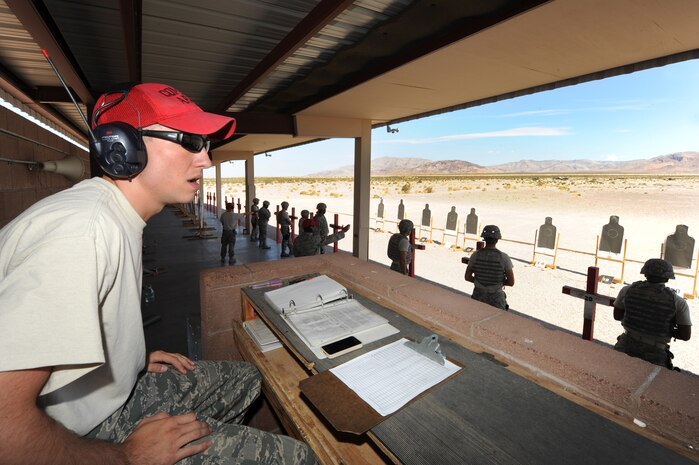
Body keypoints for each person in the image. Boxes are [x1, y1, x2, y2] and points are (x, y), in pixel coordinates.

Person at [0, 83, 317, 465]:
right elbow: (6, 430)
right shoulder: (83, 233)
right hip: (73, 434)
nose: (206, 160)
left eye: (205, 144)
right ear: (122, 147)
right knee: (297, 458)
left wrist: (125, 356)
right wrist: (129, 457)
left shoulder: (112, 215)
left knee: (247, 380)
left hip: (100, 399)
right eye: (189, 141)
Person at [613, 258, 692, 369]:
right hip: (655, 353)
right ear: (667, 278)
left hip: (625, 344)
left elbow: (617, 316)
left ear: (645, 274)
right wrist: (663, 328)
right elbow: (685, 335)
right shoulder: (678, 302)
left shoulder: (627, 290)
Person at [464, 225, 515, 310]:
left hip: (478, 295)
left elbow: (467, 277)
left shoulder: (475, 255)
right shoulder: (504, 257)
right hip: (496, 297)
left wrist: (479, 282)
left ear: (484, 238)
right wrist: (498, 283)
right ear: (497, 239)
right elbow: (511, 282)